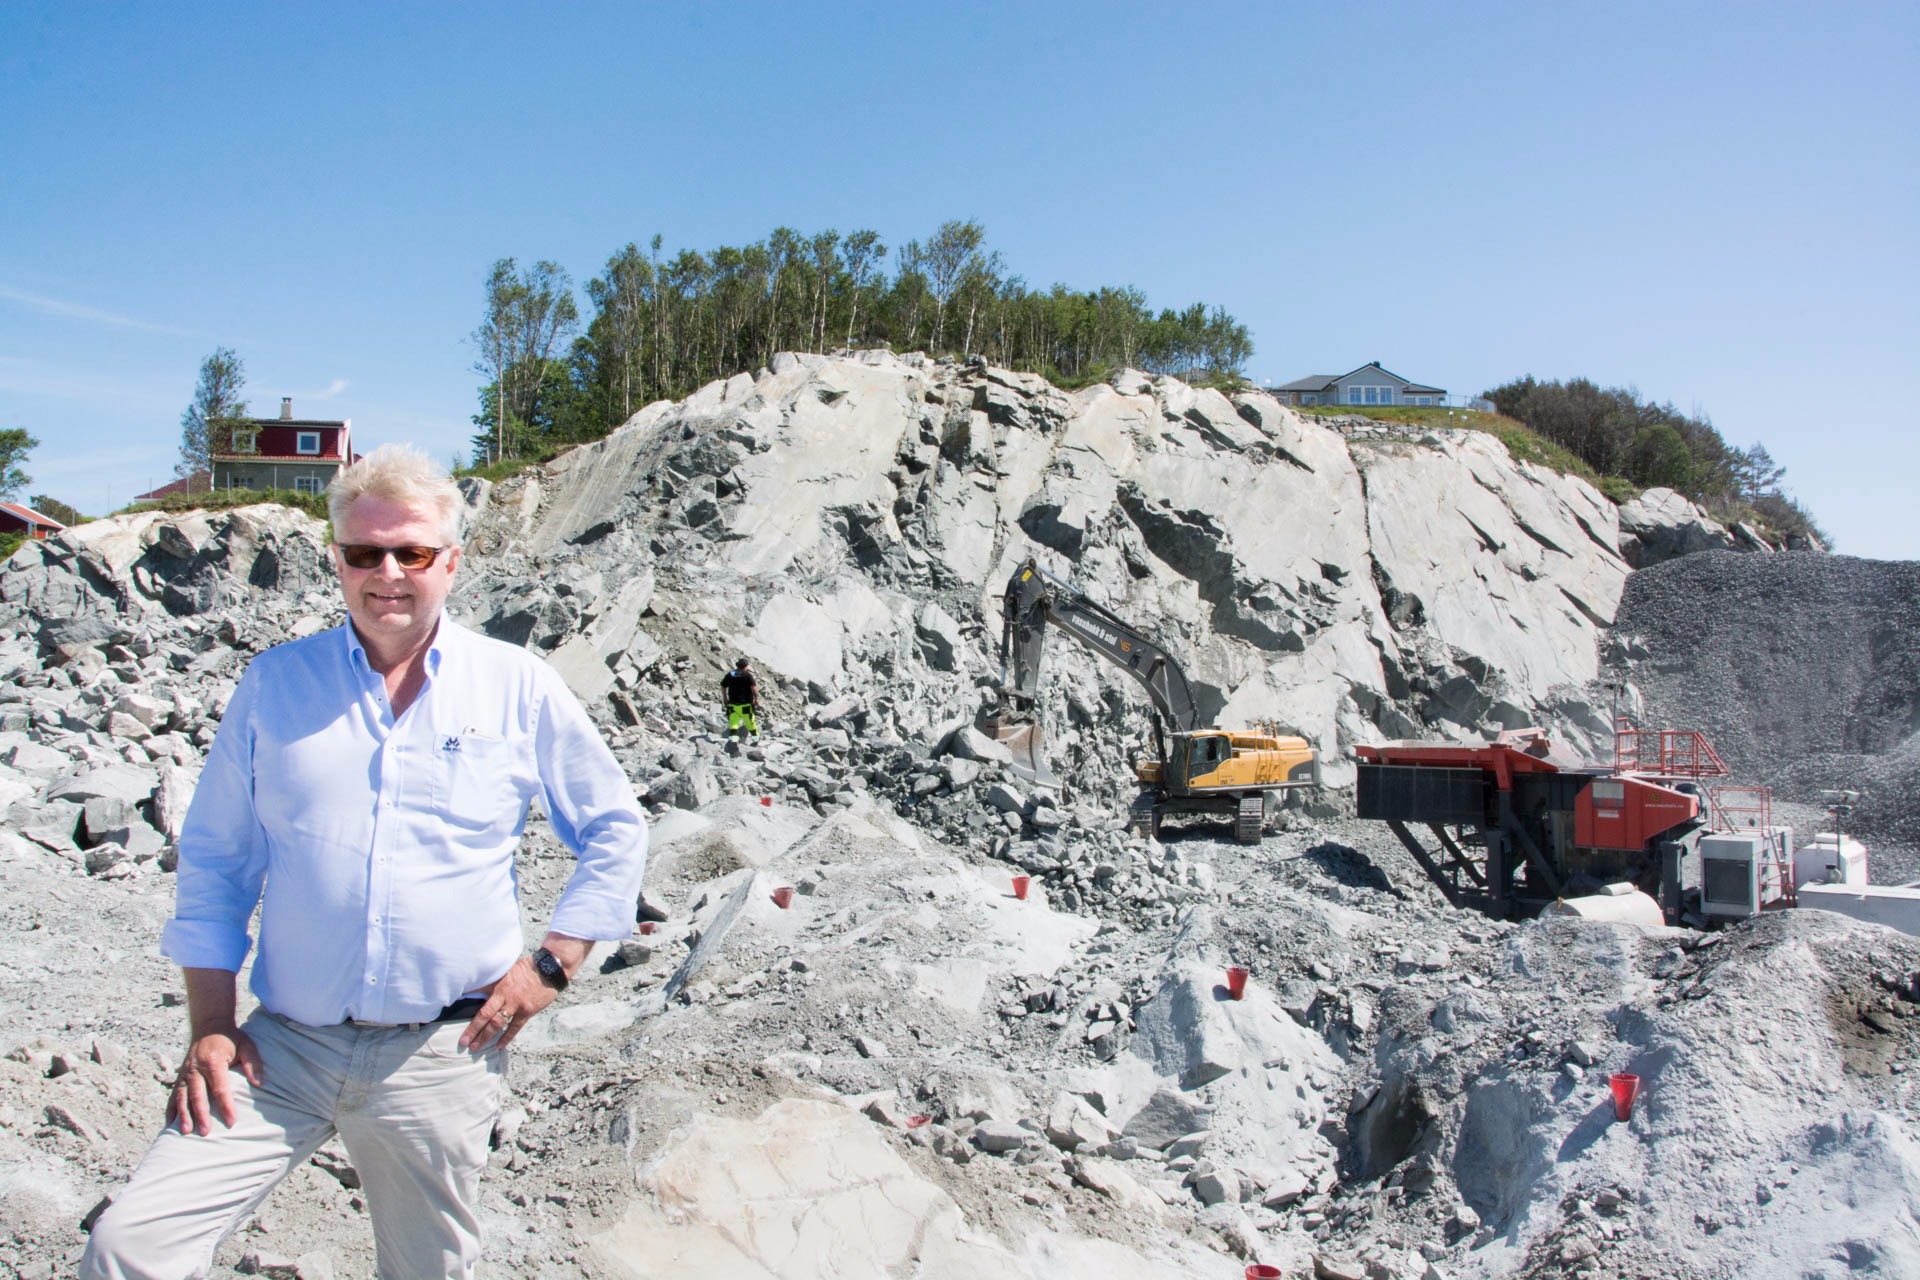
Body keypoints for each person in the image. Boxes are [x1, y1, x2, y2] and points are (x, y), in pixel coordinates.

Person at [82, 445, 648, 1280]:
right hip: (281, 1050)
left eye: (411, 551)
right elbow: (216, 860)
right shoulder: (275, 687)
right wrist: (208, 1024)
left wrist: (552, 967)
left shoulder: (515, 687)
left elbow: (615, 826)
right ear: (336, 559)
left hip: (441, 1056)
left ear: (450, 561)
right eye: (363, 552)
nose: (387, 571)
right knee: (131, 1247)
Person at [721, 655, 761, 741]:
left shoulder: (731, 674)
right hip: (745, 705)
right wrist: (756, 698)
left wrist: (725, 698)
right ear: (746, 666)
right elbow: (753, 688)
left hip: (733, 705)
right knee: (750, 723)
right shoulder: (747, 675)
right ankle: (756, 740)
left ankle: (733, 741)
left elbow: (723, 686)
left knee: (734, 723)